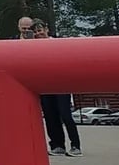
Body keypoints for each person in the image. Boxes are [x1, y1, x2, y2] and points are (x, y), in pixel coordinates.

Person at [29, 19, 82, 156]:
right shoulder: (31, 48)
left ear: (46, 29)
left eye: (40, 30)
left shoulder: (56, 43)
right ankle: (57, 145)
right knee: (50, 116)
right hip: (45, 85)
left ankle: (75, 145)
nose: (38, 34)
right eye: (35, 32)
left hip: (60, 83)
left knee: (65, 114)